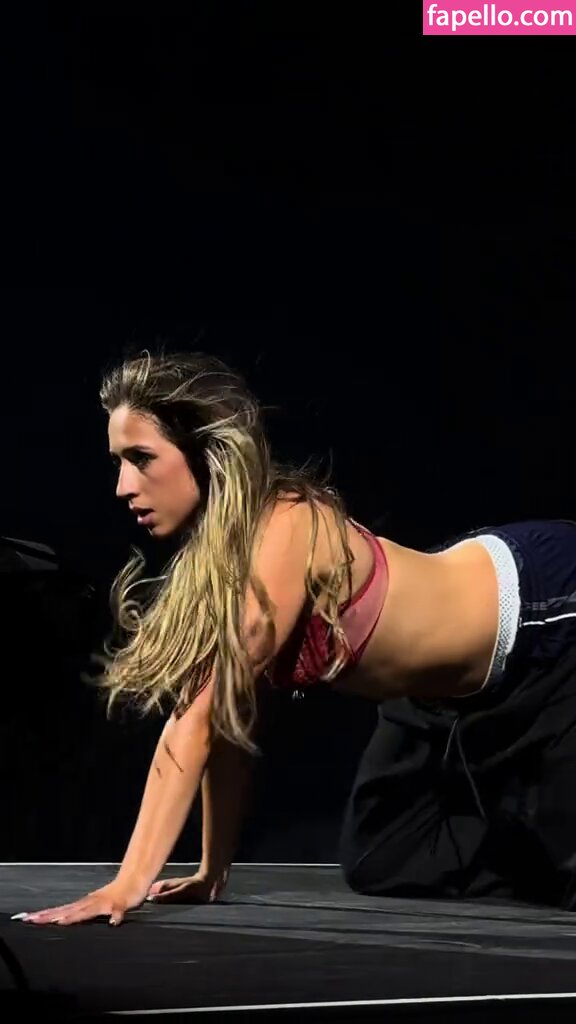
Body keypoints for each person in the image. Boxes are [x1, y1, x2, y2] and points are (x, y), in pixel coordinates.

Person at [18, 349, 576, 927]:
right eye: (118, 462)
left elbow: (199, 720)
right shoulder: (223, 561)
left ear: (207, 452)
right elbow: (228, 723)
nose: (122, 486)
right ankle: (534, 814)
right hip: (436, 697)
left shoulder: (287, 525)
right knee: (381, 858)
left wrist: (126, 885)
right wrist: (212, 872)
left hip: (547, 610)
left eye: (141, 458)